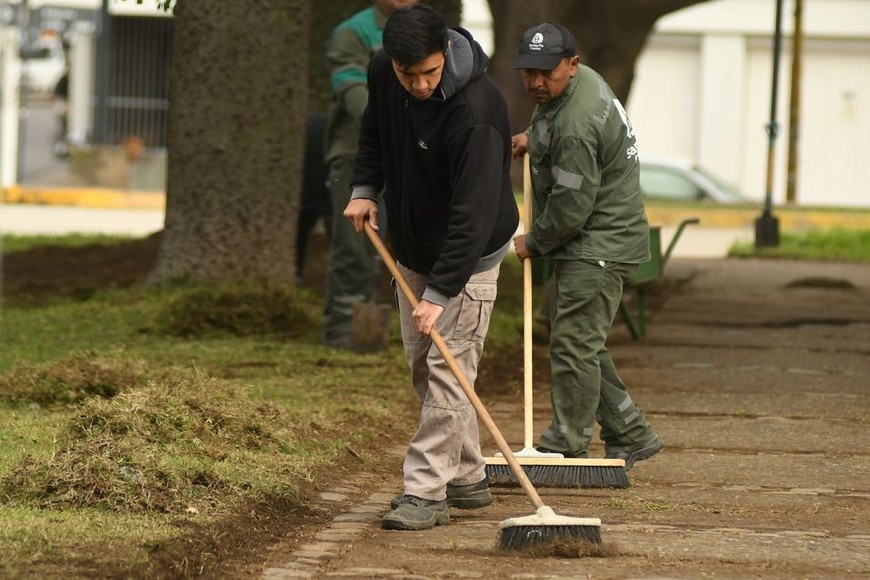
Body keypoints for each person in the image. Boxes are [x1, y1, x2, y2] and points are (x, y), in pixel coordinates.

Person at [343, 5, 519, 530]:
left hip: (471, 255)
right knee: (427, 368)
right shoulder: (384, 68)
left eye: (430, 72)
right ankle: (466, 476)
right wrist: (364, 188)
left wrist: (441, 294)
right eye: (407, 74)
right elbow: (375, 128)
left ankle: (425, 492)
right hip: (414, 246)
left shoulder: (478, 112)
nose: (419, 85)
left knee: (450, 372)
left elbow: (474, 213)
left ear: (446, 52)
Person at [510, 22, 662, 470]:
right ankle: (630, 432)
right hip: (606, 236)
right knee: (583, 341)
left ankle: (567, 442)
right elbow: (553, 126)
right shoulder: (579, 86)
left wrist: (533, 241)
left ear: (571, 64)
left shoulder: (577, 126)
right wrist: (533, 140)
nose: (536, 83)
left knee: (574, 344)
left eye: (547, 73)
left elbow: (571, 205)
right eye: (528, 72)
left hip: (597, 243)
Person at [322, 0, 418, 349]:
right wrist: (396, 123)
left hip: (410, 155)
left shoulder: (430, 31)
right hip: (358, 156)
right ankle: (342, 333)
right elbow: (351, 92)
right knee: (356, 245)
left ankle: (383, 330)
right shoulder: (353, 32)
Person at [296, 112, 333, 287]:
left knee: (298, 239)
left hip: (309, 191)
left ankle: (296, 277)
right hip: (329, 189)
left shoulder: (306, 123)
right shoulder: (325, 122)